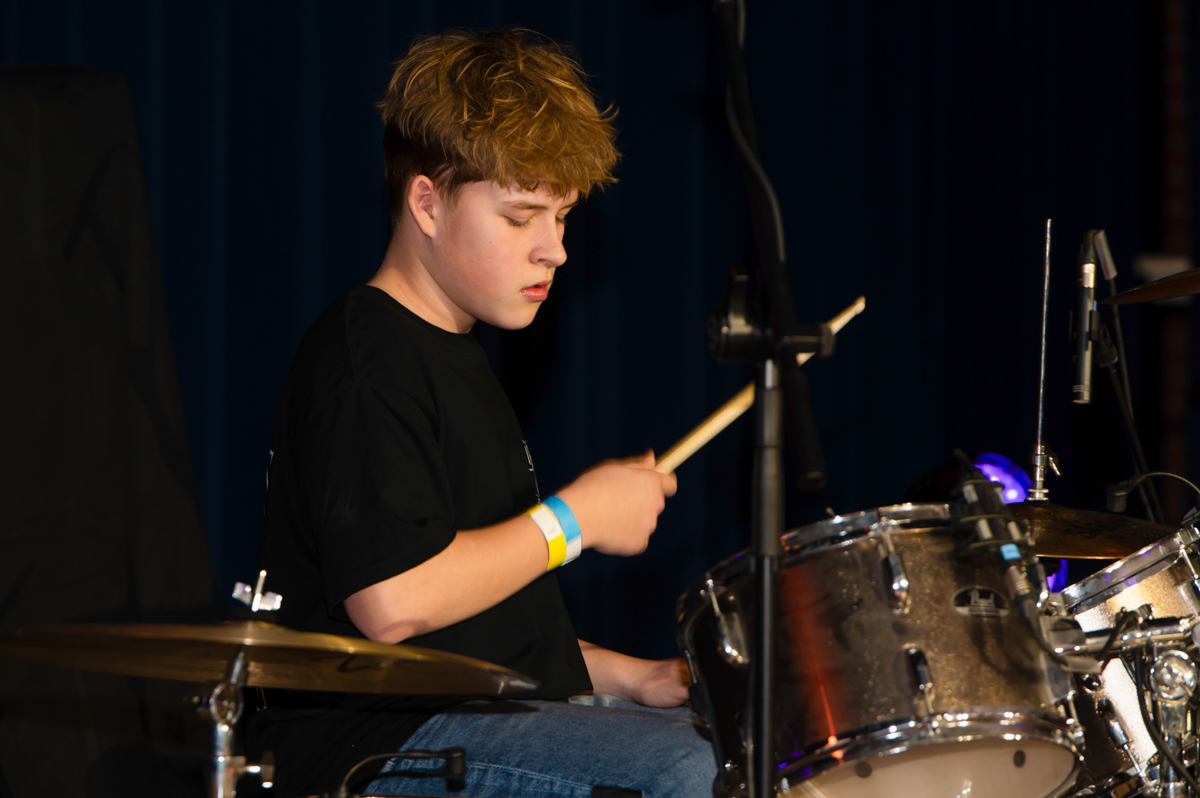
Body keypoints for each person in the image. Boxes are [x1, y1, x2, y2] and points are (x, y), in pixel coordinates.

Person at [246, 27, 717, 798]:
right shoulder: (365, 356)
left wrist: (631, 677)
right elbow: (394, 602)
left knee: (750, 750)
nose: (554, 250)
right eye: (521, 216)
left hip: (463, 717)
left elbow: (480, 632)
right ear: (427, 203)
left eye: (562, 217)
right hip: (374, 747)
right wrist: (573, 521)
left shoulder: (457, 357)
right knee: (692, 773)